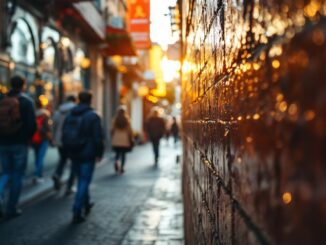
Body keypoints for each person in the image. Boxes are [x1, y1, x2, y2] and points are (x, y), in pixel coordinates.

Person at [62, 91, 104, 224]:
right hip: (87, 153)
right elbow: (98, 138)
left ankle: (86, 204)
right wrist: (99, 153)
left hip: (74, 152)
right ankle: (77, 209)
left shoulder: (70, 114)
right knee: (84, 181)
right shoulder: (93, 116)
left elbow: (64, 133)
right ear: (90, 100)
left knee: (81, 179)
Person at [0, 76, 36, 219]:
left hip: (3, 142)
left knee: (6, 172)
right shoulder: (27, 101)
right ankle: (11, 208)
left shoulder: (2, 100)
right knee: (18, 174)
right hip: (19, 143)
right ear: (23, 85)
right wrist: (27, 139)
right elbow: (32, 125)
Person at [51, 95, 76, 194]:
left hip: (60, 140)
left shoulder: (58, 111)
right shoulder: (76, 110)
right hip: (72, 140)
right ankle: (69, 186)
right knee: (74, 163)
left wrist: (53, 138)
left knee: (62, 159)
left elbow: (53, 126)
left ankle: (57, 174)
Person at [31, 98, 52, 183]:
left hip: (34, 138)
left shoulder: (32, 114)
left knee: (37, 157)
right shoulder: (45, 114)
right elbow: (48, 128)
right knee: (40, 157)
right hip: (43, 138)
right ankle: (38, 175)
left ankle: (37, 174)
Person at [111, 106, 133, 174]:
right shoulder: (127, 120)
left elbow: (112, 130)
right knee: (123, 154)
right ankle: (122, 167)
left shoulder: (115, 120)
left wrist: (113, 136)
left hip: (116, 138)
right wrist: (131, 138)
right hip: (124, 139)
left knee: (117, 153)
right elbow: (129, 131)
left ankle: (116, 161)